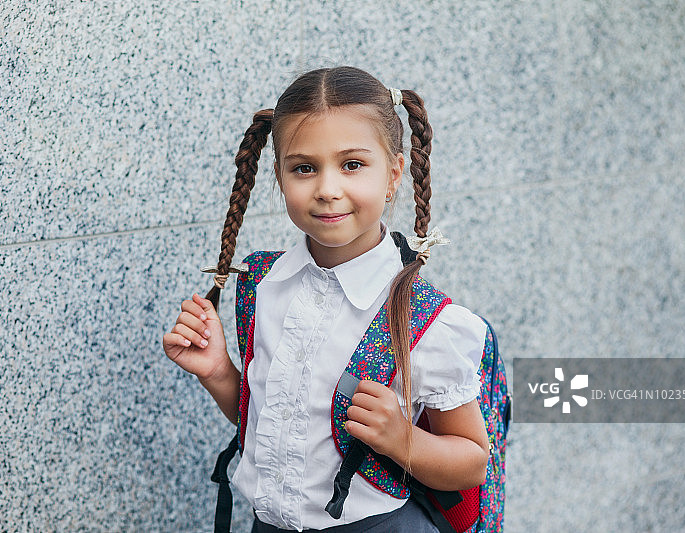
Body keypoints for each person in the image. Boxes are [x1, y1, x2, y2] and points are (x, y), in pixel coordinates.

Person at [162, 66, 490, 532]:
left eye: (352, 164)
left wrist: (402, 440)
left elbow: (473, 461)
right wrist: (218, 372)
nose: (328, 189)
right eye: (304, 168)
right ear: (279, 176)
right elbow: (275, 421)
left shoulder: (423, 319)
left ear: (394, 172)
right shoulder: (263, 283)